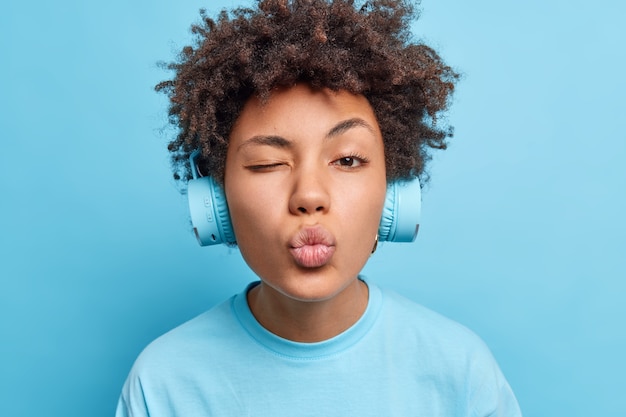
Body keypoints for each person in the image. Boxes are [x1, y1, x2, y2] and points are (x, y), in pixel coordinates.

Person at [116, 1, 522, 416]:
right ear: (217, 201)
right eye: (268, 163)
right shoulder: (162, 384)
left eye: (347, 160)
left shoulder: (462, 373)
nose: (309, 196)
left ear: (392, 193)